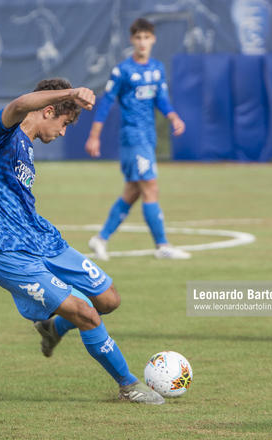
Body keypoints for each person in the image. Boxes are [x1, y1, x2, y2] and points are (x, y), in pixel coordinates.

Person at [0, 78, 165, 404]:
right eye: (65, 123)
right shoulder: (0, 133)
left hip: (44, 241)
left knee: (108, 300)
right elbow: (17, 106)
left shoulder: (25, 148)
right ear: (48, 110)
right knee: (86, 314)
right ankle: (128, 386)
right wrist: (72, 93)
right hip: (11, 255)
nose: (64, 132)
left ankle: (53, 329)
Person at [84, 18, 190, 261]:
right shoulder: (123, 71)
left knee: (133, 191)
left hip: (148, 137)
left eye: (147, 37)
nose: (142, 42)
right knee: (150, 186)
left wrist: (173, 117)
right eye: (138, 38)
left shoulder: (157, 68)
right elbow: (106, 103)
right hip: (133, 137)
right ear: (132, 40)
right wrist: (94, 136)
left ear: (153, 39)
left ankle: (100, 239)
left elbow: (161, 99)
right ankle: (162, 245)